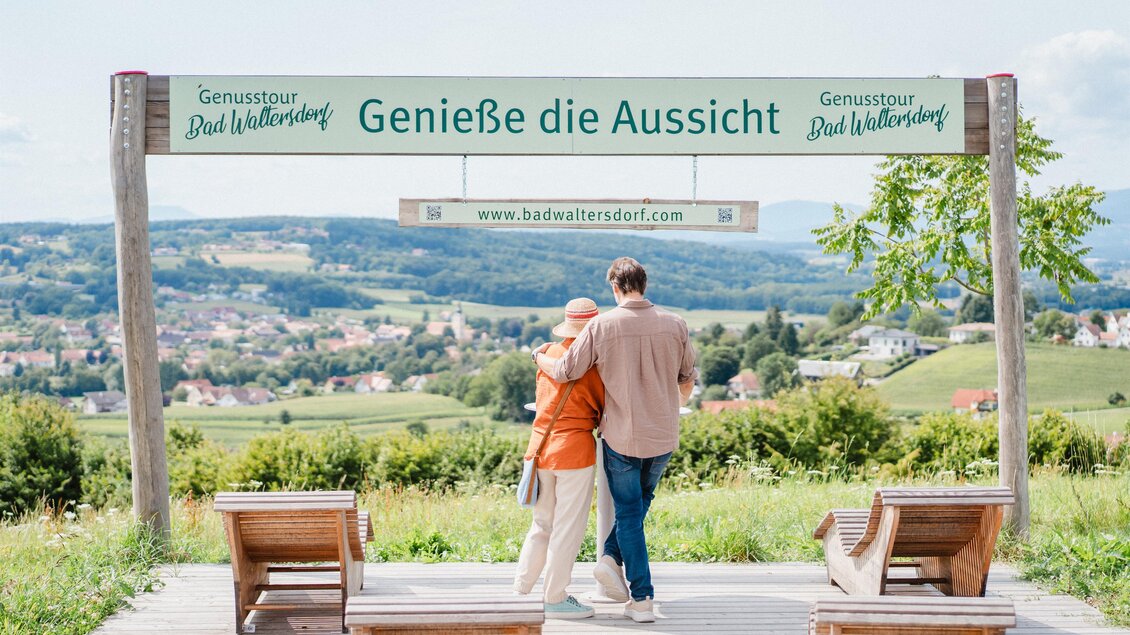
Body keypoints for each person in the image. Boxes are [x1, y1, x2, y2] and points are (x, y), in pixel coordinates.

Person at [533, 257, 696, 623]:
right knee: (638, 507)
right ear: (644, 284)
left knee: (628, 513)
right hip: (664, 435)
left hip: (622, 436)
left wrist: (538, 355)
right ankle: (609, 559)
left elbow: (565, 370)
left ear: (614, 287)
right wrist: (669, 405)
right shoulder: (676, 324)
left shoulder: (602, 325)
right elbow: (687, 377)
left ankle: (642, 599)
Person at [514, 297, 606, 619]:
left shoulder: (548, 354)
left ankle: (522, 590)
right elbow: (601, 409)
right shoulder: (595, 364)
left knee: (541, 525)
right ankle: (554, 597)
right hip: (574, 453)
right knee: (567, 528)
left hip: (540, 449)